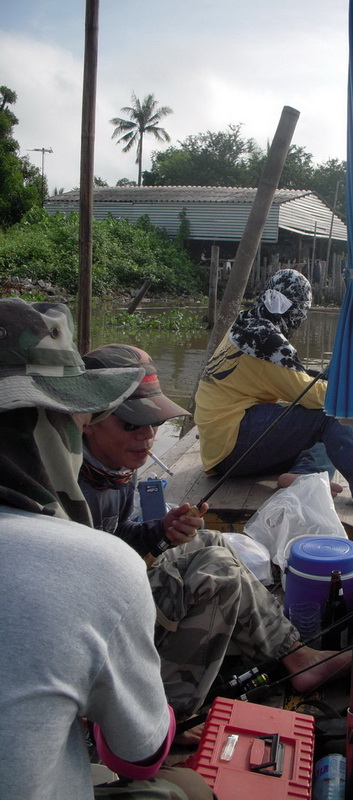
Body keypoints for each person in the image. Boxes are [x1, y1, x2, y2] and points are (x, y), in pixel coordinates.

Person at [0, 298, 213, 800]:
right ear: (57, 429)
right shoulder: (91, 564)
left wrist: (159, 532)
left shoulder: (114, 492)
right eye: (76, 418)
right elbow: (137, 757)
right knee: (186, 790)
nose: (146, 436)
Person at [79, 344, 351, 723]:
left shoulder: (116, 466)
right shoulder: (71, 484)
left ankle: (296, 655)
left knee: (210, 541)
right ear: (86, 419)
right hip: (94, 621)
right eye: (130, 424)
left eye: (154, 422)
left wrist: (162, 531)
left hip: (116, 587)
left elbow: (119, 534)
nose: (147, 436)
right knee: (214, 569)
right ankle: (170, 715)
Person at [194, 268, 353, 521]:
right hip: (233, 449)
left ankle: (304, 473)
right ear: (297, 310)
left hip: (218, 450)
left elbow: (293, 378)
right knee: (334, 416)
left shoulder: (247, 323)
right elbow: (311, 396)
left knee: (325, 422)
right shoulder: (268, 343)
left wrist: (331, 377)